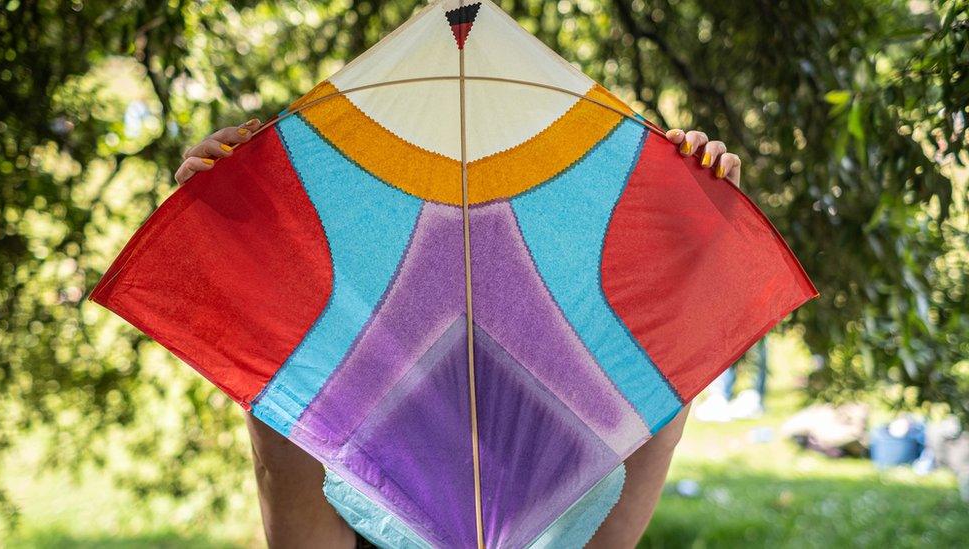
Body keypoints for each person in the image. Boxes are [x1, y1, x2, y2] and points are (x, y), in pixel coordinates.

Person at [176, 120, 742, 548]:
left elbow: (661, 410)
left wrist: (692, 248)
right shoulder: (363, 468)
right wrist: (240, 239)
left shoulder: (563, 477)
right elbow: (279, 446)